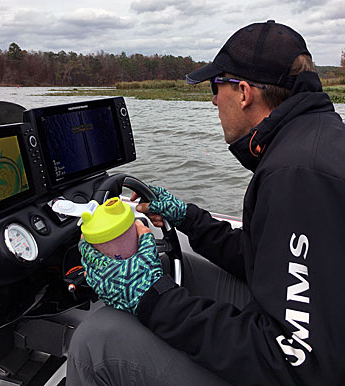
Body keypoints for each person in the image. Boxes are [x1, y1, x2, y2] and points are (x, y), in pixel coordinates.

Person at [67, 20, 345, 386]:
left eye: (217, 86)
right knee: (180, 268)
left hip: (300, 369)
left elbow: (295, 360)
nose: (214, 99)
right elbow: (263, 256)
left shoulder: (297, 176)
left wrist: (152, 298)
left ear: (244, 92)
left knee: (94, 340)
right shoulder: (310, 139)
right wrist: (188, 218)